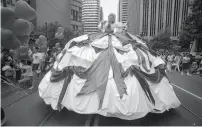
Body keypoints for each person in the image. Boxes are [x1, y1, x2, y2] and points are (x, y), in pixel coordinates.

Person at [38, 13, 180, 120]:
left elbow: (121, 28)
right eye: (110, 18)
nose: (112, 19)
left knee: (129, 57)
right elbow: (105, 28)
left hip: (116, 42)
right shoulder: (104, 23)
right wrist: (112, 28)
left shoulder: (116, 25)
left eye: (113, 17)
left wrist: (123, 26)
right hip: (102, 41)